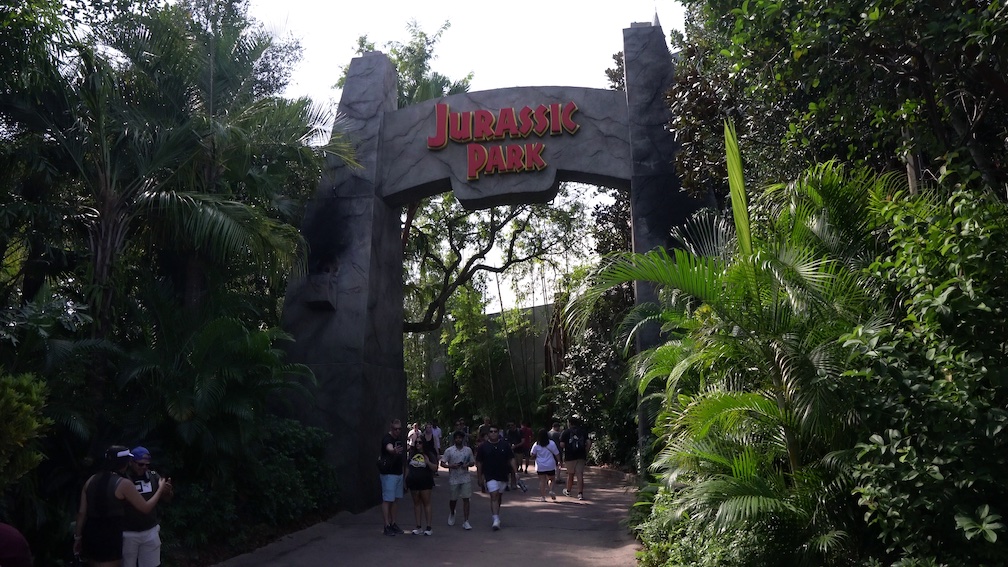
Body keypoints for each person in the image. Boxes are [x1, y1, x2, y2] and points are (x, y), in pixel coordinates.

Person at [73, 446, 172, 566]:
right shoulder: (122, 483)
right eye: (139, 464)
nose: (144, 467)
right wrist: (160, 489)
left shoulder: (91, 480)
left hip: (92, 532)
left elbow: (81, 513)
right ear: (126, 463)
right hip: (113, 533)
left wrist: (78, 537)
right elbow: (145, 508)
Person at [122, 446, 172, 567]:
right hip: (128, 532)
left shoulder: (153, 476)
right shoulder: (123, 478)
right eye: (140, 464)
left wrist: (167, 491)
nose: (144, 467)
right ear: (131, 462)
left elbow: (167, 499)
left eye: (147, 465)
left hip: (150, 530)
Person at [474, 424, 517, 530]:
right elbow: (479, 463)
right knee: (494, 495)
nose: (493, 433)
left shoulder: (505, 445)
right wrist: (479, 477)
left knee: (499, 496)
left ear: (498, 433)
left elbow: (511, 459)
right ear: (488, 434)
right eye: (491, 431)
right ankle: (496, 519)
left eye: (495, 431)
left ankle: (497, 513)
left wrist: (515, 472)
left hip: (503, 475)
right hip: (489, 475)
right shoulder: (483, 447)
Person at [439, 430, 474, 530]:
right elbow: (442, 463)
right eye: (457, 438)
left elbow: (472, 462)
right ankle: (452, 512)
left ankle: (466, 520)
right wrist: (451, 466)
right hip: (454, 478)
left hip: (465, 477)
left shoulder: (468, 450)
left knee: (466, 498)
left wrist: (467, 464)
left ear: (463, 439)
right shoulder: (449, 451)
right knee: (453, 499)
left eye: (460, 438)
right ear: (454, 439)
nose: (458, 440)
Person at [405, 436, 438, 535]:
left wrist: (428, 462)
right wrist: (405, 481)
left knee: (426, 503)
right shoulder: (412, 454)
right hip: (414, 482)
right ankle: (418, 526)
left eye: (420, 442)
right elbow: (407, 468)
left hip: (425, 482)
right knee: (416, 504)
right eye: (417, 442)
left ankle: (428, 527)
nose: (418, 444)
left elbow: (435, 468)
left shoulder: (429, 454)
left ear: (424, 444)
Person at [379, 419, 406, 536]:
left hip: (398, 473)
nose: (397, 431)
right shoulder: (387, 438)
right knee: (387, 500)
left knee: (395, 500)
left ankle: (393, 523)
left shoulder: (399, 439)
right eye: (395, 429)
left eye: (399, 429)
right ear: (391, 428)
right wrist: (393, 450)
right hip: (389, 474)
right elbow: (389, 447)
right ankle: (386, 525)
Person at [560, 417, 592, 500]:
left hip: (570, 456)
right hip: (581, 455)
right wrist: (586, 451)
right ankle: (580, 494)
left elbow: (562, 444)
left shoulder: (566, 432)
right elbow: (588, 442)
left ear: (569, 423)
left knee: (570, 474)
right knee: (579, 474)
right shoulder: (583, 431)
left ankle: (568, 491)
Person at [529, 428, 561, 502]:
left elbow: (532, 454)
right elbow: (557, 453)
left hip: (540, 465)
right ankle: (551, 490)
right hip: (550, 465)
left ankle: (543, 497)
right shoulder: (551, 443)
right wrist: (559, 461)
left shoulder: (536, 444)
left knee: (542, 481)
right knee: (552, 479)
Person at [505, 421, 522, 489]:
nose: (511, 426)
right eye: (509, 425)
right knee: (507, 468)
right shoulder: (507, 432)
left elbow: (523, 441)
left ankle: (513, 484)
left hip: (518, 451)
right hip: (508, 451)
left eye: (512, 425)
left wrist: (516, 446)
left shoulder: (519, 431)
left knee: (514, 468)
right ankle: (506, 484)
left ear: (515, 425)